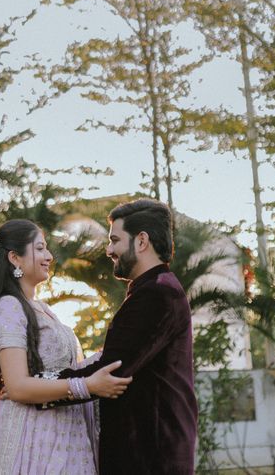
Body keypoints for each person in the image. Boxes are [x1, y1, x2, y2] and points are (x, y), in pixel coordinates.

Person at [41, 198, 198, 474]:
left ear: (142, 241)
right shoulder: (156, 289)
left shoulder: (155, 294)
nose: (109, 250)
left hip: (150, 456)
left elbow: (111, 370)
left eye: (115, 240)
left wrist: (38, 386)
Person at [0, 219, 132, 475]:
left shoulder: (42, 310)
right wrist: (86, 386)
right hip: (35, 440)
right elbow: (17, 386)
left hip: (66, 437)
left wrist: (113, 354)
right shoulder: (9, 307)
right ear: (15, 258)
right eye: (40, 248)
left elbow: (68, 369)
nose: (49, 256)